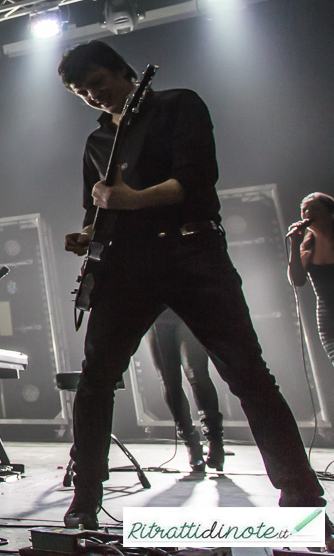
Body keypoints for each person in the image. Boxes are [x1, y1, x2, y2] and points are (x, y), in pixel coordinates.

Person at [58, 40, 325, 530]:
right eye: (82, 93)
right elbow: (100, 211)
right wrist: (88, 235)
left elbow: (195, 181)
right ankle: (84, 501)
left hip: (191, 253)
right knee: (96, 381)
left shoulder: (178, 105)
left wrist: (130, 201)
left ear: (124, 71)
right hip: (127, 266)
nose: (93, 96)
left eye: (98, 84)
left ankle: (301, 496)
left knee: (247, 373)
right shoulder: (97, 143)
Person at [146, 309, 223, 472]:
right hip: (156, 308)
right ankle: (192, 443)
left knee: (196, 372)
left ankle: (214, 441)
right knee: (170, 379)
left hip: (185, 302)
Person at [288, 192, 334, 365]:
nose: (308, 213)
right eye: (304, 209)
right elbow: (297, 281)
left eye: (315, 208)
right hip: (329, 321)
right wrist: (295, 244)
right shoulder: (307, 249)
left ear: (330, 212)